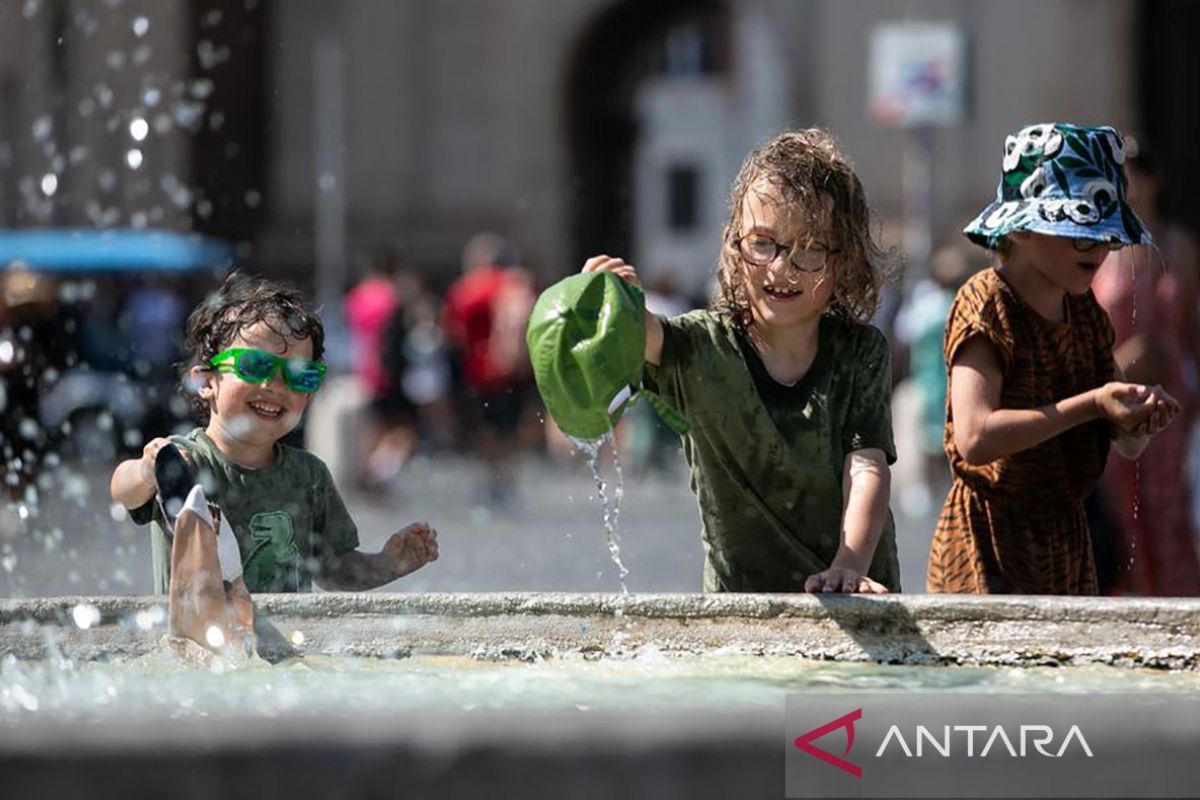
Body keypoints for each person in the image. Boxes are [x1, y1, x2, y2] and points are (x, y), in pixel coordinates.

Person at [583, 128, 901, 594]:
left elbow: (868, 465)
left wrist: (850, 565)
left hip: (855, 595)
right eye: (763, 243)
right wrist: (615, 299)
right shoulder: (702, 347)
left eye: (809, 249)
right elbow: (646, 334)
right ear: (732, 243)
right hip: (741, 605)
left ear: (845, 260)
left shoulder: (859, 352)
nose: (780, 268)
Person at [927, 122, 1180, 595]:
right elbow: (975, 437)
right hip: (990, 548)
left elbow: (1118, 437)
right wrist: (1091, 404)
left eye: (1106, 235)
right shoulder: (988, 302)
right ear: (1022, 230)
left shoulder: (1085, 312)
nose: (1101, 249)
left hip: (1066, 541)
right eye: (1081, 235)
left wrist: (1136, 422)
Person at [110, 272, 439, 594]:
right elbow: (123, 491)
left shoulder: (309, 476)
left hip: (291, 643)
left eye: (299, 376)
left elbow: (334, 570)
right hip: (198, 642)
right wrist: (145, 470)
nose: (275, 386)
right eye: (254, 366)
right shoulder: (185, 462)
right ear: (206, 382)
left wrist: (388, 564)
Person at [1091, 137, 1200, 595]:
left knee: (1167, 502)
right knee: (1120, 506)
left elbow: (1192, 323)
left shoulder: (1179, 244)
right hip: (1115, 393)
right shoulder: (1098, 247)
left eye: (1136, 171)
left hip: (1170, 395)